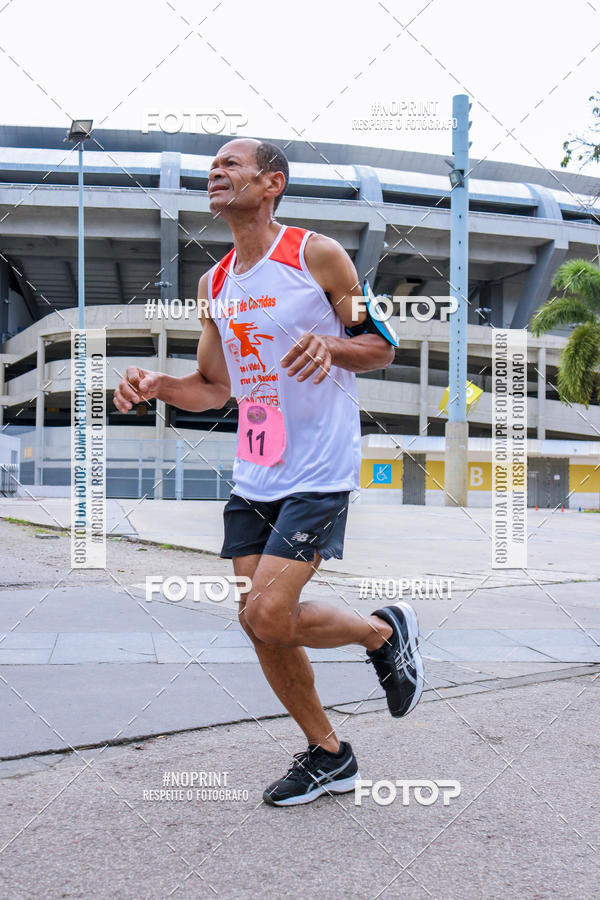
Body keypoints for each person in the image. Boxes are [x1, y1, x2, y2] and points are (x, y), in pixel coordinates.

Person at [113, 138, 424, 807]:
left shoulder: (316, 254)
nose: (215, 174)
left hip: (319, 466)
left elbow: (380, 346)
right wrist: (157, 385)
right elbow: (212, 387)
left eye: (230, 164)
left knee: (268, 609)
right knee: (260, 622)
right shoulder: (215, 284)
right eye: (211, 168)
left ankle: (384, 633)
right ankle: (330, 754)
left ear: (271, 182)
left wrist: (333, 344)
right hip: (256, 470)